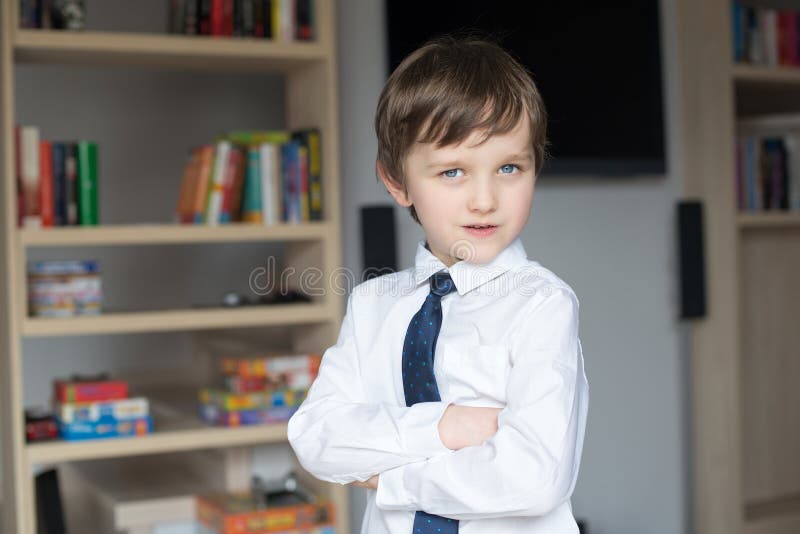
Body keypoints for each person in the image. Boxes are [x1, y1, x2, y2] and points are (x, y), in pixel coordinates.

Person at [288, 35, 589, 533]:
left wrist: (388, 480)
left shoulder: (542, 304)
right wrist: (444, 428)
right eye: (453, 172)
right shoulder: (371, 305)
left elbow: (533, 479)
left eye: (509, 167)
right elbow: (317, 438)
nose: (485, 199)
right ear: (396, 182)